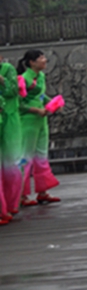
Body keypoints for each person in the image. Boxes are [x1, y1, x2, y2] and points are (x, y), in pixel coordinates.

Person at [18, 50, 61, 206]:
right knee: (25, 157)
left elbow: (40, 96)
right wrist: (36, 110)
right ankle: (21, 195)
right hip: (28, 121)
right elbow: (19, 103)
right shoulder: (23, 79)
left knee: (41, 156)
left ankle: (42, 192)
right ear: (32, 62)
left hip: (41, 121)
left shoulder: (41, 76)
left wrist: (52, 103)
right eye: (41, 58)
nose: (45, 60)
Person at [0, 55, 23, 222]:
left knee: (11, 163)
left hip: (9, 119)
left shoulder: (7, 69)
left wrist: (2, 81)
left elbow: (13, 91)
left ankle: (11, 204)